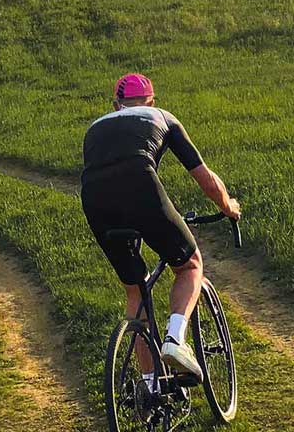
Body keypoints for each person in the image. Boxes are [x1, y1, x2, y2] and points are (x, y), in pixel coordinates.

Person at [81, 73, 241, 386]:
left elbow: (104, 171)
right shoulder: (162, 117)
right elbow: (204, 177)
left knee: (135, 290)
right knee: (190, 266)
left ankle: (151, 384)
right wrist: (228, 207)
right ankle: (176, 341)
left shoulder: (95, 127)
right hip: (140, 185)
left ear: (116, 105)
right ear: (152, 101)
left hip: (94, 199)